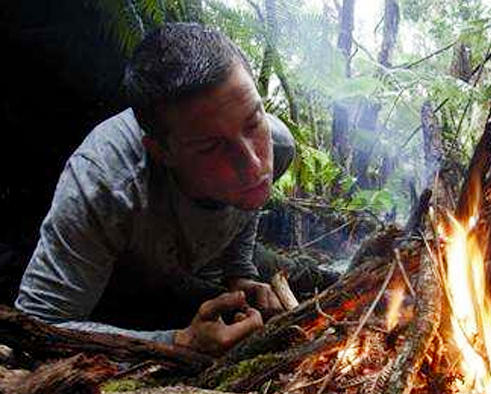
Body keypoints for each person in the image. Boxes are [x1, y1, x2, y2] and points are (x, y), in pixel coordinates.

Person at [14, 23, 297, 356]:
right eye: (210, 147)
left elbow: (250, 201)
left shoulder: (276, 147)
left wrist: (238, 273)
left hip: (188, 266)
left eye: (252, 123)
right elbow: (38, 324)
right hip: (110, 289)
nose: (252, 165)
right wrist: (176, 342)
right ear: (161, 151)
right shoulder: (105, 185)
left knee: (304, 277)